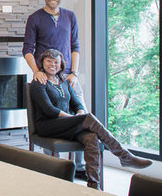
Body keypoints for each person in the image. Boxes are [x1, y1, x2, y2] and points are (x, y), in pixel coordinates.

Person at [30, 49, 152, 190]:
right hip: (48, 125)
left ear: (61, 64)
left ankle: (94, 187)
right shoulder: (38, 82)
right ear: (42, 63)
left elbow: (77, 104)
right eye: (49, 61)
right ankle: (124, 155)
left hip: (67, 125)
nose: (53, 65)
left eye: (56, 62)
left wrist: (80, 112)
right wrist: (76, 118)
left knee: (91, 137)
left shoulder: (64, 82)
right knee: (87, 119)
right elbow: (49, 110)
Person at [22, 0, 87, 179]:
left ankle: (80, 166)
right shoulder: (35, 18)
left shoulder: (70, 16)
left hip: (67, 77)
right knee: (50, 116)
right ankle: (50, 166)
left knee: (81, 113)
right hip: (46, 77)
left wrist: (73, 72)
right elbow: (27, 50)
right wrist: (36, 71)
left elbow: (75, 46)